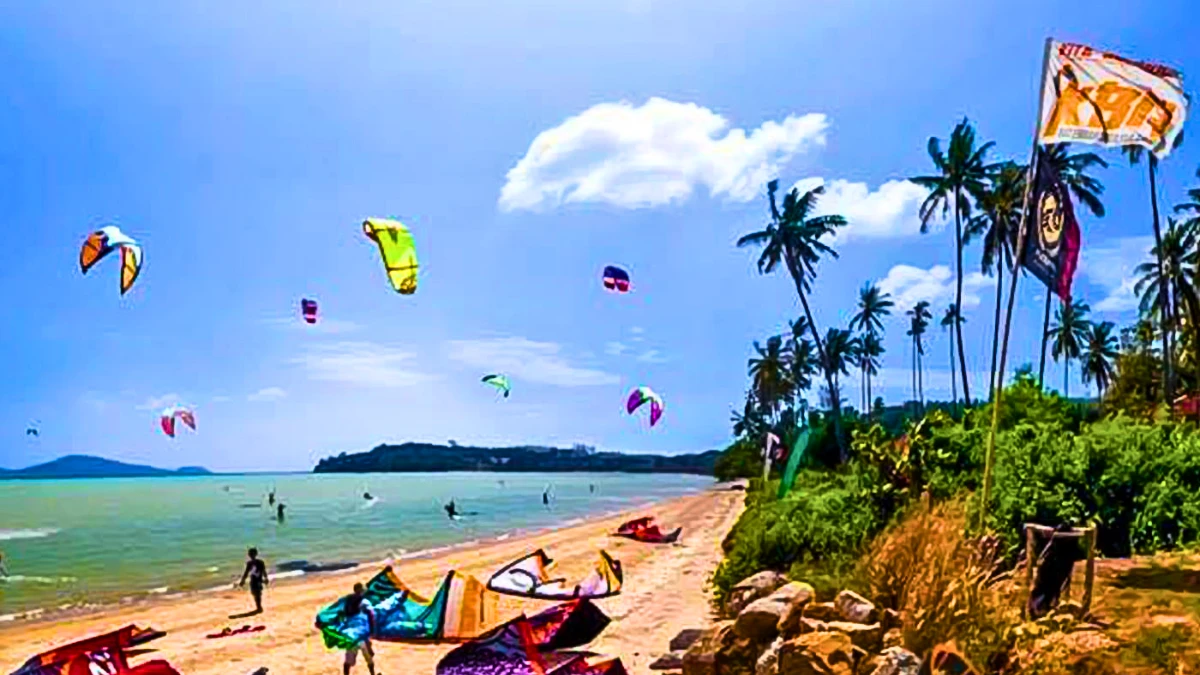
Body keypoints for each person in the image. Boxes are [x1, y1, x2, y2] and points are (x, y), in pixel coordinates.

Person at [341, 582, 378, 675]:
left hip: (350, 633)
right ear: (361, 591)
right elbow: (371, 614)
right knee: (368, 655)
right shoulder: (364, 602)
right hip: (361, 633)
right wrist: (372, 630)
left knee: (348, 658)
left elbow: (343, 614)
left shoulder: (348, 601)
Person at [238, 548, 269, 614]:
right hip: (259, 580)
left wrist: (242, 581)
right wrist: (266, 578)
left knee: (256, 594)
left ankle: (259, 607)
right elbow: (264, 571)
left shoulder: (250, 563)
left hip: (254, 581)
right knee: (257, 594)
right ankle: (259, 607)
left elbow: (246, 573)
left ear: (249, 555)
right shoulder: (260, 562)